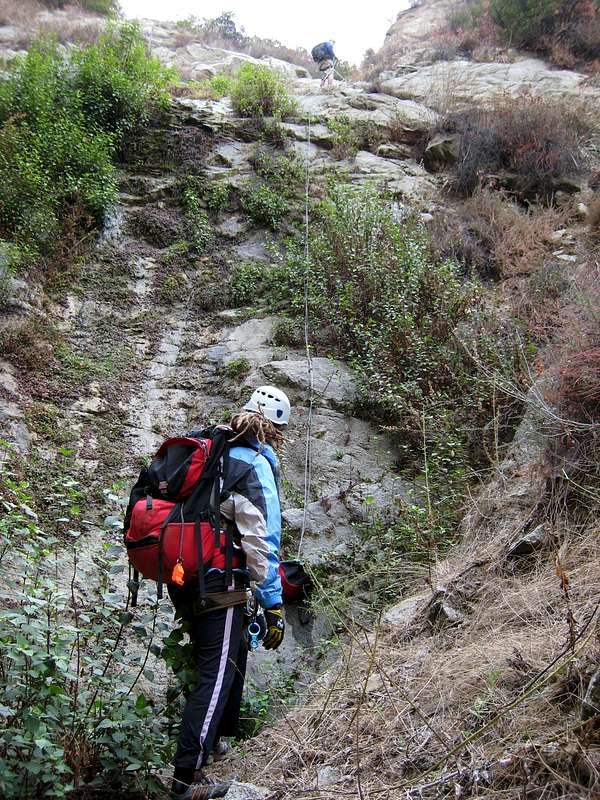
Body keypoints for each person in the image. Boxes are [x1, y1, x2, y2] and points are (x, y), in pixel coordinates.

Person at [168, 385, 291, 800]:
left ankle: (217, 741)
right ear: (275, 430)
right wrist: (273, 604)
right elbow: (262, 539)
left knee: (230, 654)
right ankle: (187, 778)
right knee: (216, 674)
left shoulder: (211, 449)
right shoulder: (252, 464)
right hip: (220, 580)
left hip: (187, 576)